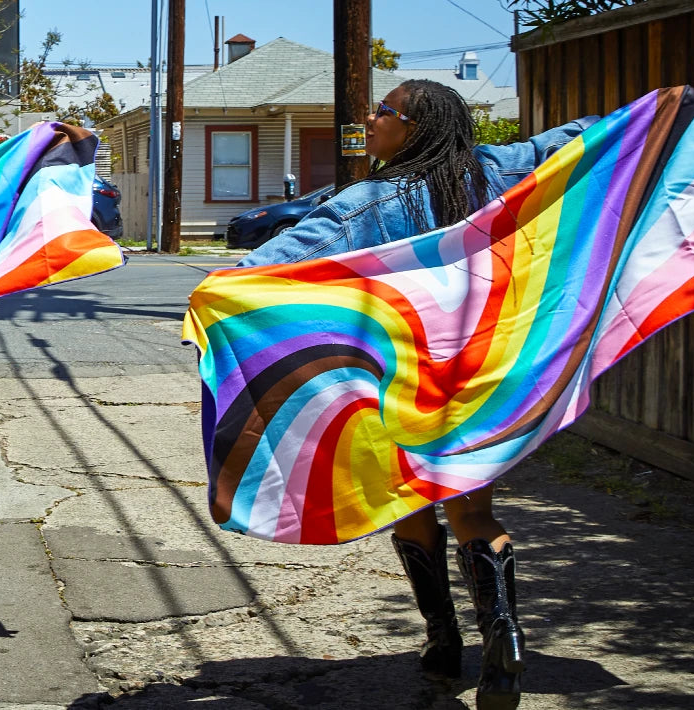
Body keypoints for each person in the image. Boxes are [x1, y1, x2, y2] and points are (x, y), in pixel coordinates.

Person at [239, 79, 598, 710]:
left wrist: (220, 293)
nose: (370, 119)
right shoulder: (498, 169)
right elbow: (584, 138)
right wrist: (660, 110)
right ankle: (504, 638)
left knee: (408, 504)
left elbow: (278, 259)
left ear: (415, 126)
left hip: (399, 378)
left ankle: (442, 640)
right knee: (473, 513)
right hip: (478, 374)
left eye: (385, 111)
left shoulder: (369, 201)